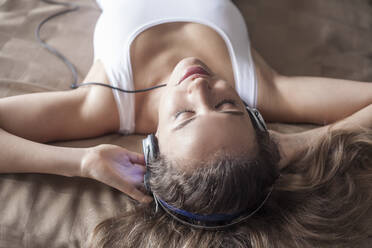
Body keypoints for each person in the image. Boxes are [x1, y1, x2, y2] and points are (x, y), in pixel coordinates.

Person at [0, 0, 371, 247]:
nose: (199, 88)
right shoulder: (260, 89)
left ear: (151, 146)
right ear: (256, 120)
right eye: (228, 105)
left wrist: (80, 163)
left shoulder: (105, 104)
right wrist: (303, 142)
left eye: (185, 115)